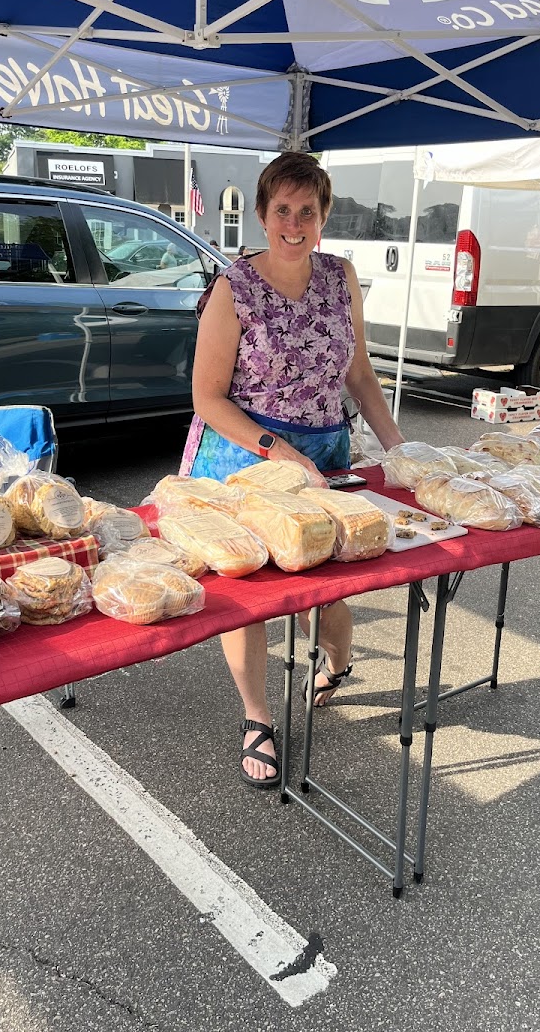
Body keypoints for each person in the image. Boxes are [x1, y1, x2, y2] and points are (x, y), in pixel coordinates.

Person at [179, 152, 405, 788]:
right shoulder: (234, 288)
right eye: (283, 209)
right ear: (261, 213)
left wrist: (397, 445)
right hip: (247, 456)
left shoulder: (341, 277)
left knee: (326, 587)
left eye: (309, 211)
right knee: (252, 597)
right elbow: (208, 397)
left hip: (327, 454)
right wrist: (278, 450)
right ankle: (257, 716)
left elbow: (357, 373)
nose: (295, 222)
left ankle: (337, 662)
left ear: (325, 216)